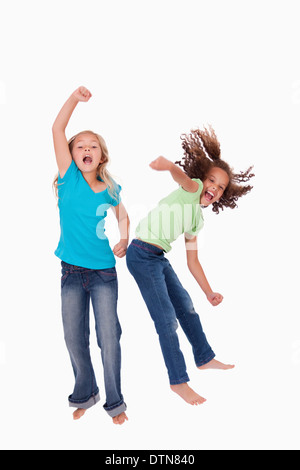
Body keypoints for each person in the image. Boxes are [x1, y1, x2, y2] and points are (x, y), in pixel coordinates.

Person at [126, 126, 254, 405]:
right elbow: (180, 177)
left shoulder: (197, 219)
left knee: (186, 307)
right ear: (203, 178)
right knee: (166, 319)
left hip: (158, 257)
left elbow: (193, 261)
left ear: (223, 195)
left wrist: (209, 292)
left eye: (220, 187)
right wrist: (167, 165)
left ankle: (204, 358)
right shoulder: (192, 188)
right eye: (212, 181)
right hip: (141, 254)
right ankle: (178, 381)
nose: (214, 188)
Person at [52, 86, 129, 424]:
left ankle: (116, 404)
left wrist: (124, 237)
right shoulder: (68, 178)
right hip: (70, 273)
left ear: (101, 156)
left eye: (92, 146)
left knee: (108, 338)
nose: (86, 148)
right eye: (80, 146)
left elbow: (122, 215)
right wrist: (73, 99)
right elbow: (57, 129)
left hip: (103, 274)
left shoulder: (111, 188)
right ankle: (85, 393)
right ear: (71, 155)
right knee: (73, 337)